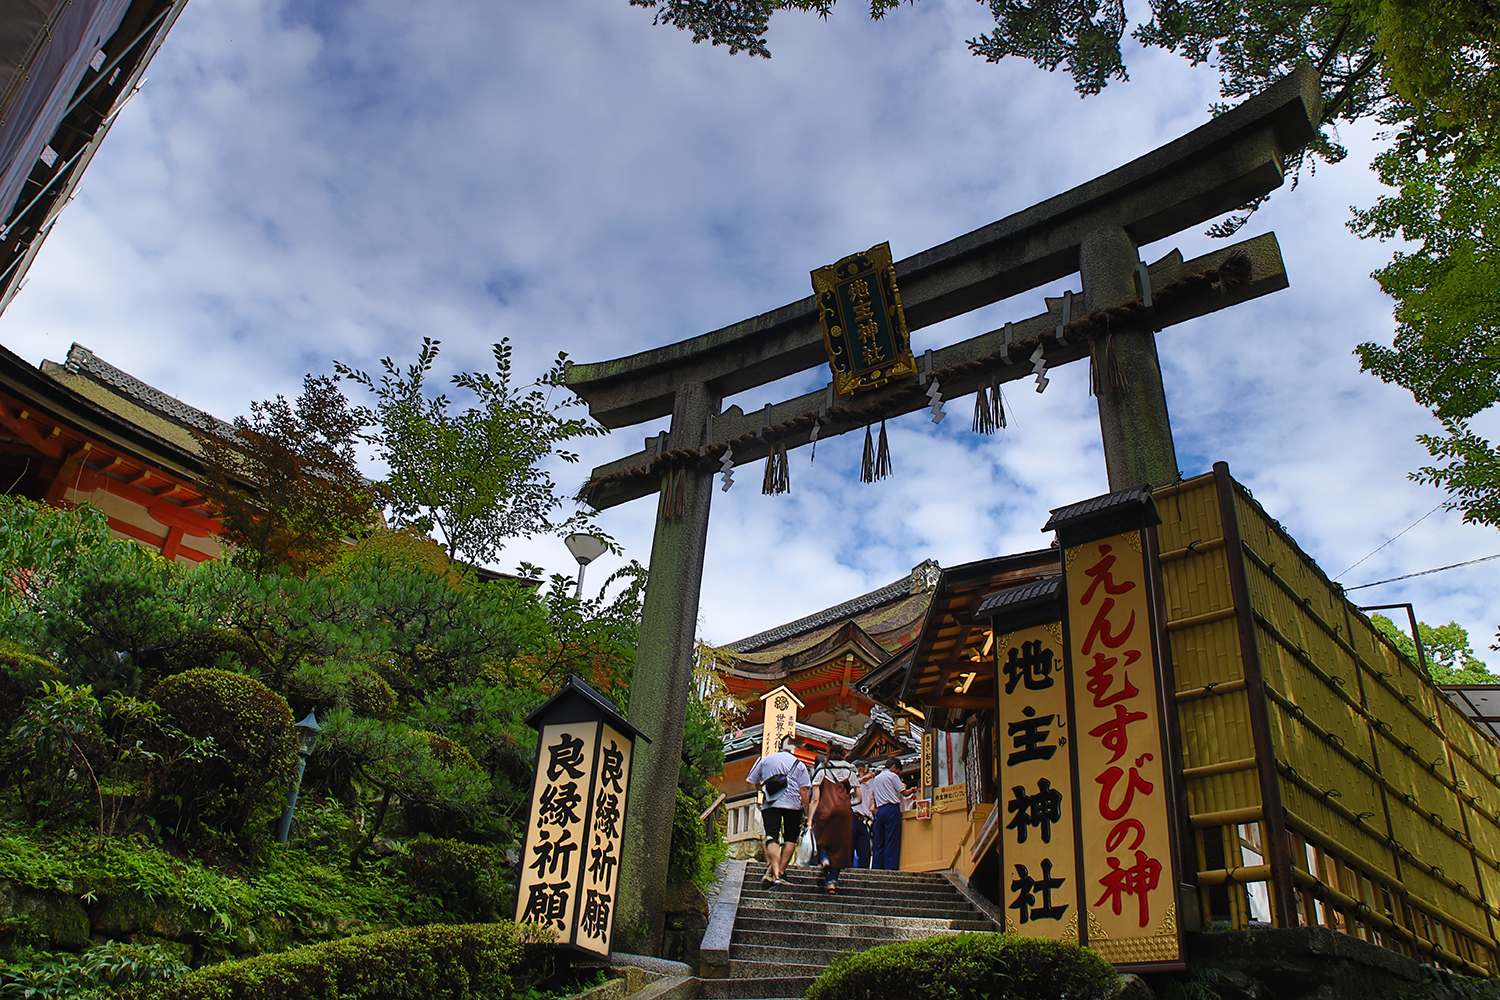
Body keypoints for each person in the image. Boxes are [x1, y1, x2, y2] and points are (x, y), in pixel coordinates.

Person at [745, 737, 810, 885]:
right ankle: (780, 872)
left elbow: (752, 780)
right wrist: (806, 809)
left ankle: (774, 872)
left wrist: (763, 791)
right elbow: (804, 789)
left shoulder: (766, 760)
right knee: (790, 838)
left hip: (771, 804)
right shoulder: (799, 764)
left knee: (771, 836)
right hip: (794, 805)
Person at [806, 747, 859, 894]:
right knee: (839, 849)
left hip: (825, 811)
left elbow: (815, 799)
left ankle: (824, 861)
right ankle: (832, 884)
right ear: (843, 755)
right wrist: (847, 804)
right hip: (844, 814)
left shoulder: (822, 771)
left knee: (823, 843)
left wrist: (809, 819)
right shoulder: (850, 771)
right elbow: (859, 797)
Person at [868, 756, 907, 870]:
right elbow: (904, 792)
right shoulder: (892, 776)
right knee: (891, 840)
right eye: (898, 771)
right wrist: (913, 791)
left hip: (880, 811)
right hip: (891, 809)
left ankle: (877, 867)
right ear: (894, 767)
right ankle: (890, 867)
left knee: (879, 842)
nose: (898, 774)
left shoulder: (876, 778)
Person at [851, 760, 874, 869]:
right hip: (852, 817)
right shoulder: (851, 781)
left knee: (865, 852)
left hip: (864, 820)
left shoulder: (869, 784)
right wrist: (862, 778)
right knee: (849, 849)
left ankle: (863, 873)